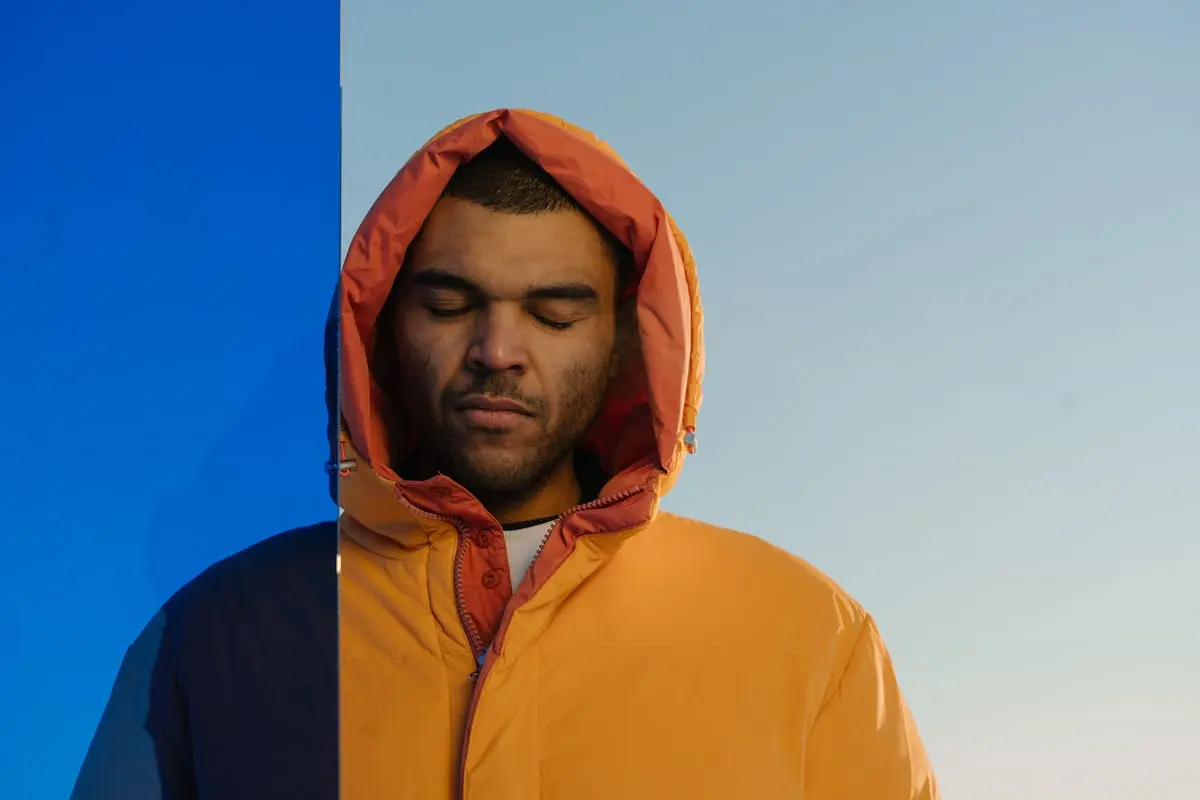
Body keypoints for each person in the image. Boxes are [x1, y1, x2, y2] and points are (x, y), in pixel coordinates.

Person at [71, 109, 939, 799]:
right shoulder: (213, 635)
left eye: (554, 313)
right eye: (449, 304)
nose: (497, 348)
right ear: (381, 330)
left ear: (624, 345)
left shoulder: (807, 636)